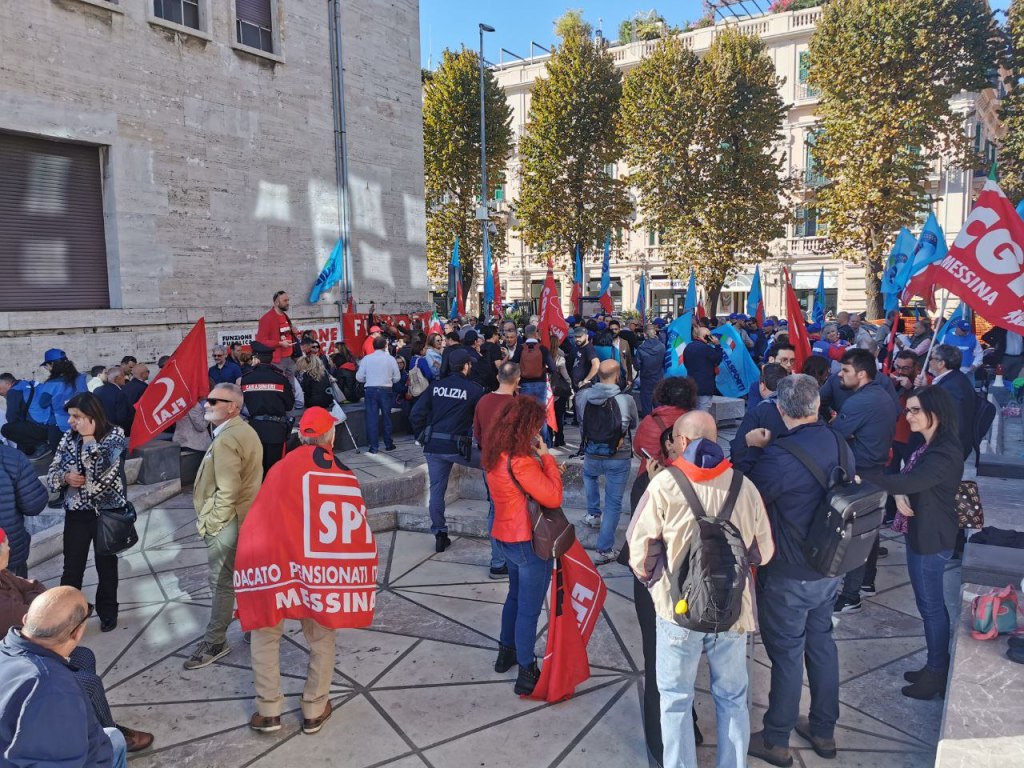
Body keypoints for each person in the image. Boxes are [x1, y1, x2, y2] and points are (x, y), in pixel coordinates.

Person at [629, 411, 774, 768]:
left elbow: (639, 550)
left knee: (675, 699)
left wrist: (658, 581)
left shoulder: (663, 485)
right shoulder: (744, 486)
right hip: (731, 612)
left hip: (677, 612)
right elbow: (764, 552)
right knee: (732, 697)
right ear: (715, 438)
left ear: (681, 442)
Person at [240, 407, 376, 735]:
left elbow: (261, 517)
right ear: (331, 435)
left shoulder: (280, 468)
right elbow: (356, 522)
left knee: (265, 633)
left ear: (302, 435)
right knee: (321, 636)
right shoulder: (343, 473)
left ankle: (269, 710)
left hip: (276, 564)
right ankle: (314, 708)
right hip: (319, 568)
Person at [745, 374, 854, 766]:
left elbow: (750, 499)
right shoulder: (839, 442)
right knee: (821, 643)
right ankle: (823, 730)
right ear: (815, 406)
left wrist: (750, 449)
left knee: (788, 653)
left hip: (791, 572)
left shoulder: (780, 456)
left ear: (780, 409)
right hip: (831, 565)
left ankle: (776, 738)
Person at [0, 531, 154, 752]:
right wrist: (38, 604)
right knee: (88, 683)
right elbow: (42, 619)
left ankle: (89, 724)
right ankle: (106, 738)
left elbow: (36, 592)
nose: (10, 547)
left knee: (84, 656)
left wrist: (38, 603)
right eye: (6, 544)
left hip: (23, 653)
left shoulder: (3, 574)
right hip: (17, 672)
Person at [872, 386, 963, 699]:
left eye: (914, 411)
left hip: (931, 538)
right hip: (922, 532)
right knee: (931, 607)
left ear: (934, 414)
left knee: (932, 609)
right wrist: (897, 492)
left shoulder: (944, 452)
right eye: (907, 409)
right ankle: (934, 665)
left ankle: (936, 674)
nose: (907, 416)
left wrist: (869, 478)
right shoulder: (929, 445)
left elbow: (912, 481)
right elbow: (908, 483)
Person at [482, 397, 562, 696]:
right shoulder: (522, 462)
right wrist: (548, 460)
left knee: (514, 597)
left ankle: (507, 652)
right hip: (528, 541)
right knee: (529, 610)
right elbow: (553, 498)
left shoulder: (495, 456)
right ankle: (527, 670)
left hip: (505, 535)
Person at [0, 586, 129, 766]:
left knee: (84, 657)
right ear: (77, 632)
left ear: (25, 619)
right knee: (115, 739)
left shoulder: (5, 648)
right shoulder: (53, 688)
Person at [185, 383, 263, 671]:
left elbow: (228, 490)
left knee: (221, 582)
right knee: (243, 577)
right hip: (242, 517)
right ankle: (255, 627)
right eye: (207, 400)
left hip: (229, 521)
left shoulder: (229, 438)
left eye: (214, 401)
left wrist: (212, 523)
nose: (207, 405)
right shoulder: (240, 431)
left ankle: (215, 641)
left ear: (232, 407)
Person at [45, 392, 128, 633]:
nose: (71, 421)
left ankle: (108, 611)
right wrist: (65, 477)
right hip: (76, 515)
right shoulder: (67, 439)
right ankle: (67, 618)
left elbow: (102, 479)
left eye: (76, 416)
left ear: (92, 416)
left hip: (106, 513)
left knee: (106, 565)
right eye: (70, 416)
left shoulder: (115, 436)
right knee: (71, 568)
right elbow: (51, 476)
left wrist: (90, 440)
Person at [831, 348, 899, 613]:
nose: (840, 375)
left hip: (863, 472)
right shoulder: (881, 393)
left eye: (845, 371)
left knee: (857, 535)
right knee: (869, 530)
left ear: (861, 373)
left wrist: (841, 427)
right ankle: (866, 582)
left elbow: (836, 435)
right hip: (876, 469)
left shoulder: (859, 402)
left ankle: (850, 596)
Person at [410, 348, 484, 552]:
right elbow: (483, 421)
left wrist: (420, 436)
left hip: (433, 446)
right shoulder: (475, 390)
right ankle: (496, 517)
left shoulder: (435, 386)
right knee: (495, 466)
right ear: (467, 366)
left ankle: (440, 534)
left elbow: (416, 414)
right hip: (459, 448)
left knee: (436, 492)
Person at [575, 359, 639, 564]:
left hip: (592, 451)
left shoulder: (583, 396)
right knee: (613, 503)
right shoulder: (626, 400)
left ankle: (593, 513)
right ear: (618, 376)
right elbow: (634, 423)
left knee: (589, 475)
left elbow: (581, 421)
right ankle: (604, 550)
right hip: (618, 455)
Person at [473, 362, 520, 579]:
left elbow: (477, 433)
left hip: (488, 463)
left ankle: (498, 560)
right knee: (508, 511)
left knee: (494, 508)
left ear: (498, 376)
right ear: (517, 379)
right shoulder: (516, 405)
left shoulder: (483, 401)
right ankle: (503, 560)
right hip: (510, 466)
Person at [241, 343, 295, 478]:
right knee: (275, 472)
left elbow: (243, 404)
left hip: (254, 430)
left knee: (256, 472)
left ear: (256, 358)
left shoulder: (246, 379)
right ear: (271, 358)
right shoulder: (280, 379)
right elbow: (289, 405)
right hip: (276, 430)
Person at [731, 363, 790, 473]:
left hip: (764, 473)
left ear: (762, 385)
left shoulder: (758, 412)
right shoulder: (800, 406)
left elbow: (739, 450)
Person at [0, 444, 47, 578]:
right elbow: (34, 505)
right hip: (8, 555)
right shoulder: (11, 457)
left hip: (7, 551)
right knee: (14, 596)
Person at [30, 350, 89, 455]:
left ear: (52, 364)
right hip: (82, 422)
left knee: (60, 458)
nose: (47, 369)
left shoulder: (51, 384)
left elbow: (43, 404)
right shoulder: (80, 378)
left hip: (59, 426)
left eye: (46, 365)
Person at [929, 344, 977, 460]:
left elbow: (956, 422)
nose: (929, 362)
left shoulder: (951, 387)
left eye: (932, 358)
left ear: (941, 363)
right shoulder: (956, 378)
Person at [356, 336, 401, 454]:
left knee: (372, 418)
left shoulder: (366, 359)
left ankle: (373, 447)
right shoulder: (390, 359)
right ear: (385, 346)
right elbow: (397, 378)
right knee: (387, 417)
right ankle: (388, 444)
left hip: (370, 390)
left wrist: (369, 378)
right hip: (386, 389)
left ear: (373, 346)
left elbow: (359, 377)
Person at [255, 291, 300, 376]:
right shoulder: (267, 318)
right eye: (285, 301)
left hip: (290, 358)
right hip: (277, 361)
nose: (288, 303)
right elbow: (261, 341)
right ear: (276, 302)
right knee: (280, 387)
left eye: (288, 300)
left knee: (291, 388)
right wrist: (280, 343)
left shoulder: (284, 315)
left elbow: (283, 333)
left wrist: (293, 332)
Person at [682, 327, 723, 412]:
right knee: (703, 410)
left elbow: (686, 363)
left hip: (691, 383)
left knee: (692, 410)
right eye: (710, 335)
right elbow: (718, 358)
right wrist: (717, 345)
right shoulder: (706, 348)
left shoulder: (689, 346)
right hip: (705, 385)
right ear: (705, 336)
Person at [747, 344, 796, 410]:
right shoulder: (757, 386)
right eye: (784, 360)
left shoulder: (797, 385)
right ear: (771, 359)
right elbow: (753, 414)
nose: (789, 364)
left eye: (792, 360)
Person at [634, 324, 667, 418]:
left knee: (646, 403)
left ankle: (648, 423)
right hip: (659, 377)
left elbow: (637, 366)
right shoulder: (662, 346)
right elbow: (665, 362)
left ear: (644, 334)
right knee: (659, 402)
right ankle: (660, 423)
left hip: (646, 378)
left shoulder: (641, 348)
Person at [94, 365, 133, 435]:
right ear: (117, 378)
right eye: (123, 376)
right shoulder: (119, 393)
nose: (125, 378)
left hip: (100, 431)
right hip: (116, 433)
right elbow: (122, 417)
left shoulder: (97, 390)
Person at [571, 325, 600, 390]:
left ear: (587, 336)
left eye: (580, 337)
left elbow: (596, 364)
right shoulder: (577, 347)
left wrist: (585, 380)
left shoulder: (589, 348)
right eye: (575, 337)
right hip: (576, 385)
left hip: (585, 387)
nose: (577, 339)